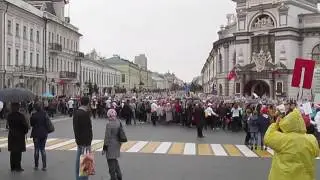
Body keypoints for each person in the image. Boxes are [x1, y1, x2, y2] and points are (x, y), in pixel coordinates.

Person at [264, 108, 319, 180]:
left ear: (287, 123)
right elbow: (316, 153)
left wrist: (276, 124)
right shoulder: (311, 139)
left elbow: (268, 137)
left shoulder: (283, 139)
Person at [73, 96, 93, 180]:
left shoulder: (77, 112)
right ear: (88, 103)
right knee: (85, 164)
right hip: (85, 141)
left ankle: (78, 178)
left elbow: (75, 128)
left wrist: (77, 139)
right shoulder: (85, 114)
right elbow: (88, 128)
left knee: (79, 162)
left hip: (79, 141)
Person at [7, 102, 29, 172]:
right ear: (18, 107)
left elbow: (8, 125)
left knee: (12, 151)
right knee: (18, 152)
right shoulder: (20, 116)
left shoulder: (9, 115)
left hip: (11, 135)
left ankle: (12, 167)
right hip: (19, 135)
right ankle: (18, 167)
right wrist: (25, 131)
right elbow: (25, 126)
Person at [102, 109, 123, 180]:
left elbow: (107, 137)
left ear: (109, 115)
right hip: (118, 144)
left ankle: (113, 178)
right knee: (115, 160)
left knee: (111, 163)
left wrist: (104, 148)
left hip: (111, 145)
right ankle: (119, 175)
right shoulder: (118, 121)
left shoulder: (109, 124)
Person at [30, 102, 49, 171]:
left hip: (36, 134)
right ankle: (44, 166)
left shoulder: (33, 115)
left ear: (35, 108)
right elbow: (47, 123)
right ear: (41, 107)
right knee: (43, 149)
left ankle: (36, 166)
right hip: (44, 133)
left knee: (36, 149)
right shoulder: (45, 114)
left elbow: (31, 124)